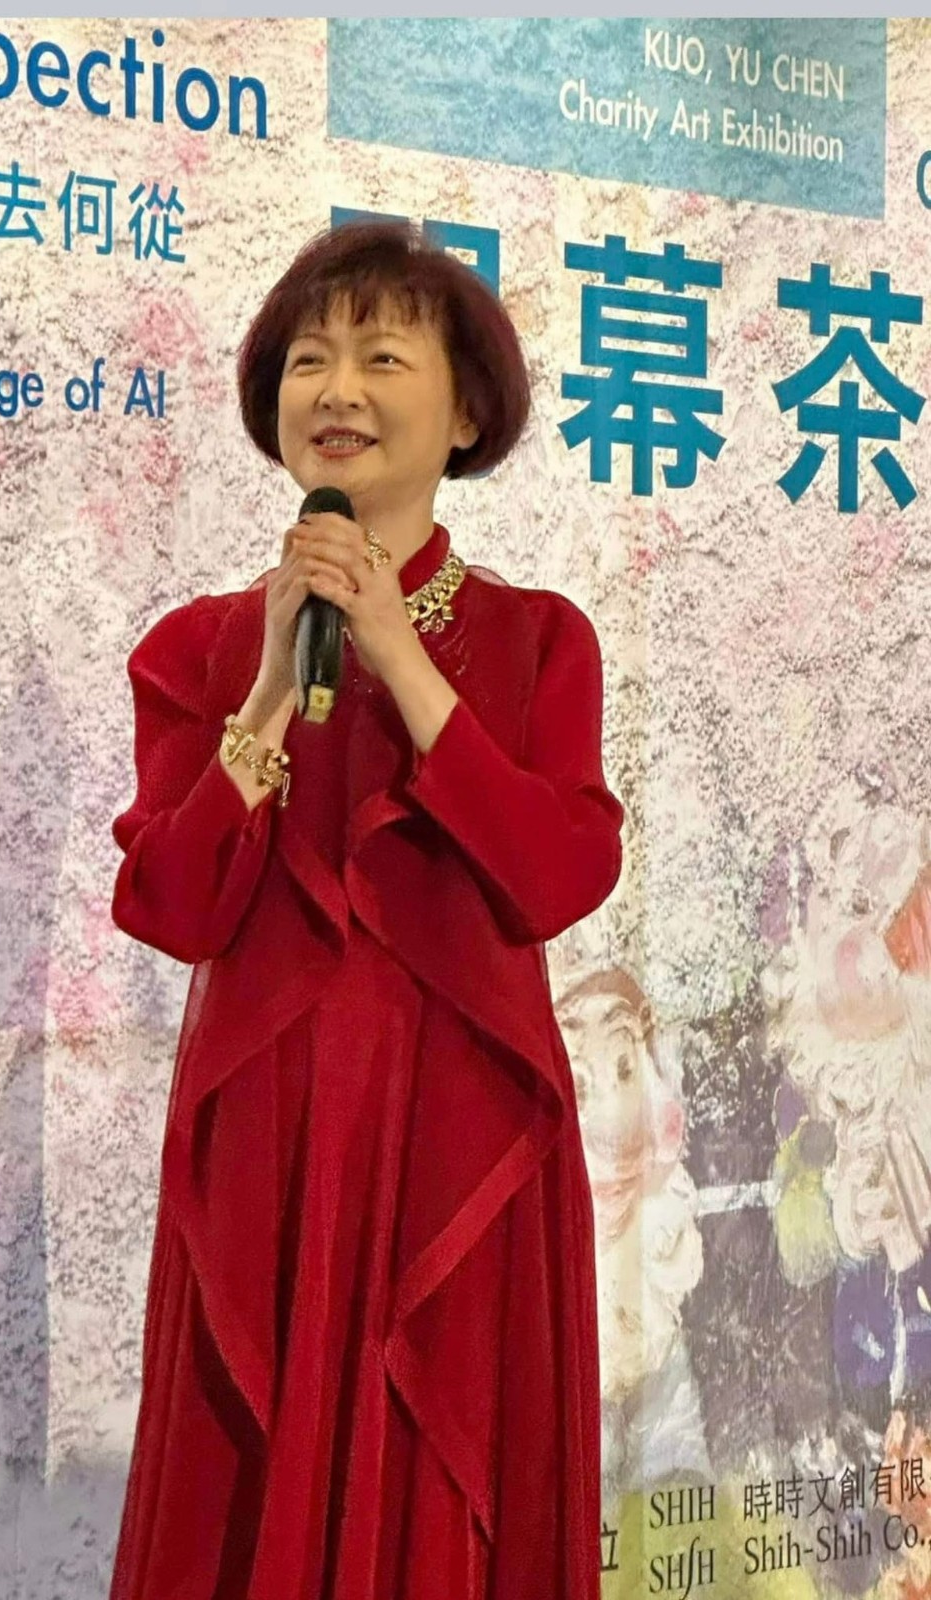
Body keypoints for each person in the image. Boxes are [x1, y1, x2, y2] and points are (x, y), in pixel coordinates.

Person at [107, 218, 624, 1600]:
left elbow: (558, 876)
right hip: (269, 1155)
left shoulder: (539, 640)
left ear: (465, 414)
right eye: (309, 360)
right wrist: (272, 692)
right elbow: (170, 905)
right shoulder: (203, 648)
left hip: (461, 1149)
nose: (337, 389)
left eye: (382, 357)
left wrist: (397, 647)